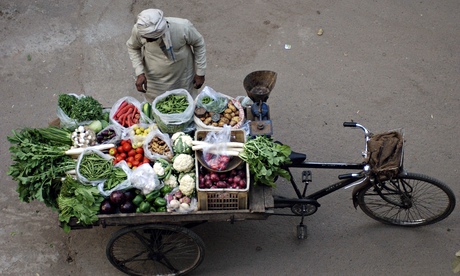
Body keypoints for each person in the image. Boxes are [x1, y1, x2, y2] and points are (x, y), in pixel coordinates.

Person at [126, 9, 207, 102]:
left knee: (185, 102)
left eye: (150, 39)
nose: (147, 41)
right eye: (145, 38)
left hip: (182, 77)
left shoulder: (183, 27)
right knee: (157, 106)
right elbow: (132, 47)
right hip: (155, 81)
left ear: (160, 34)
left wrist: (200, 73)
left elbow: (199, 44)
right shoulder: (139, 30)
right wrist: (139, 72)